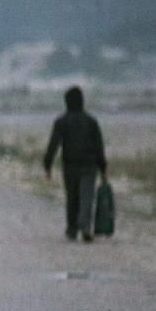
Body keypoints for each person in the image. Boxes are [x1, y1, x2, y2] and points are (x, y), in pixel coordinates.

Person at [43, 86, 107, 242]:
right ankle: (85, 227)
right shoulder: (91, 121)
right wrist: (103, 167)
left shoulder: (61, 122)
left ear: (66, 102)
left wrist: (48, 165)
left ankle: (72, 229)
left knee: (72, 197)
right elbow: (99, 146)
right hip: (89, 166)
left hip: (70, 166)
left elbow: (53, 145)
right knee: (87, 197)